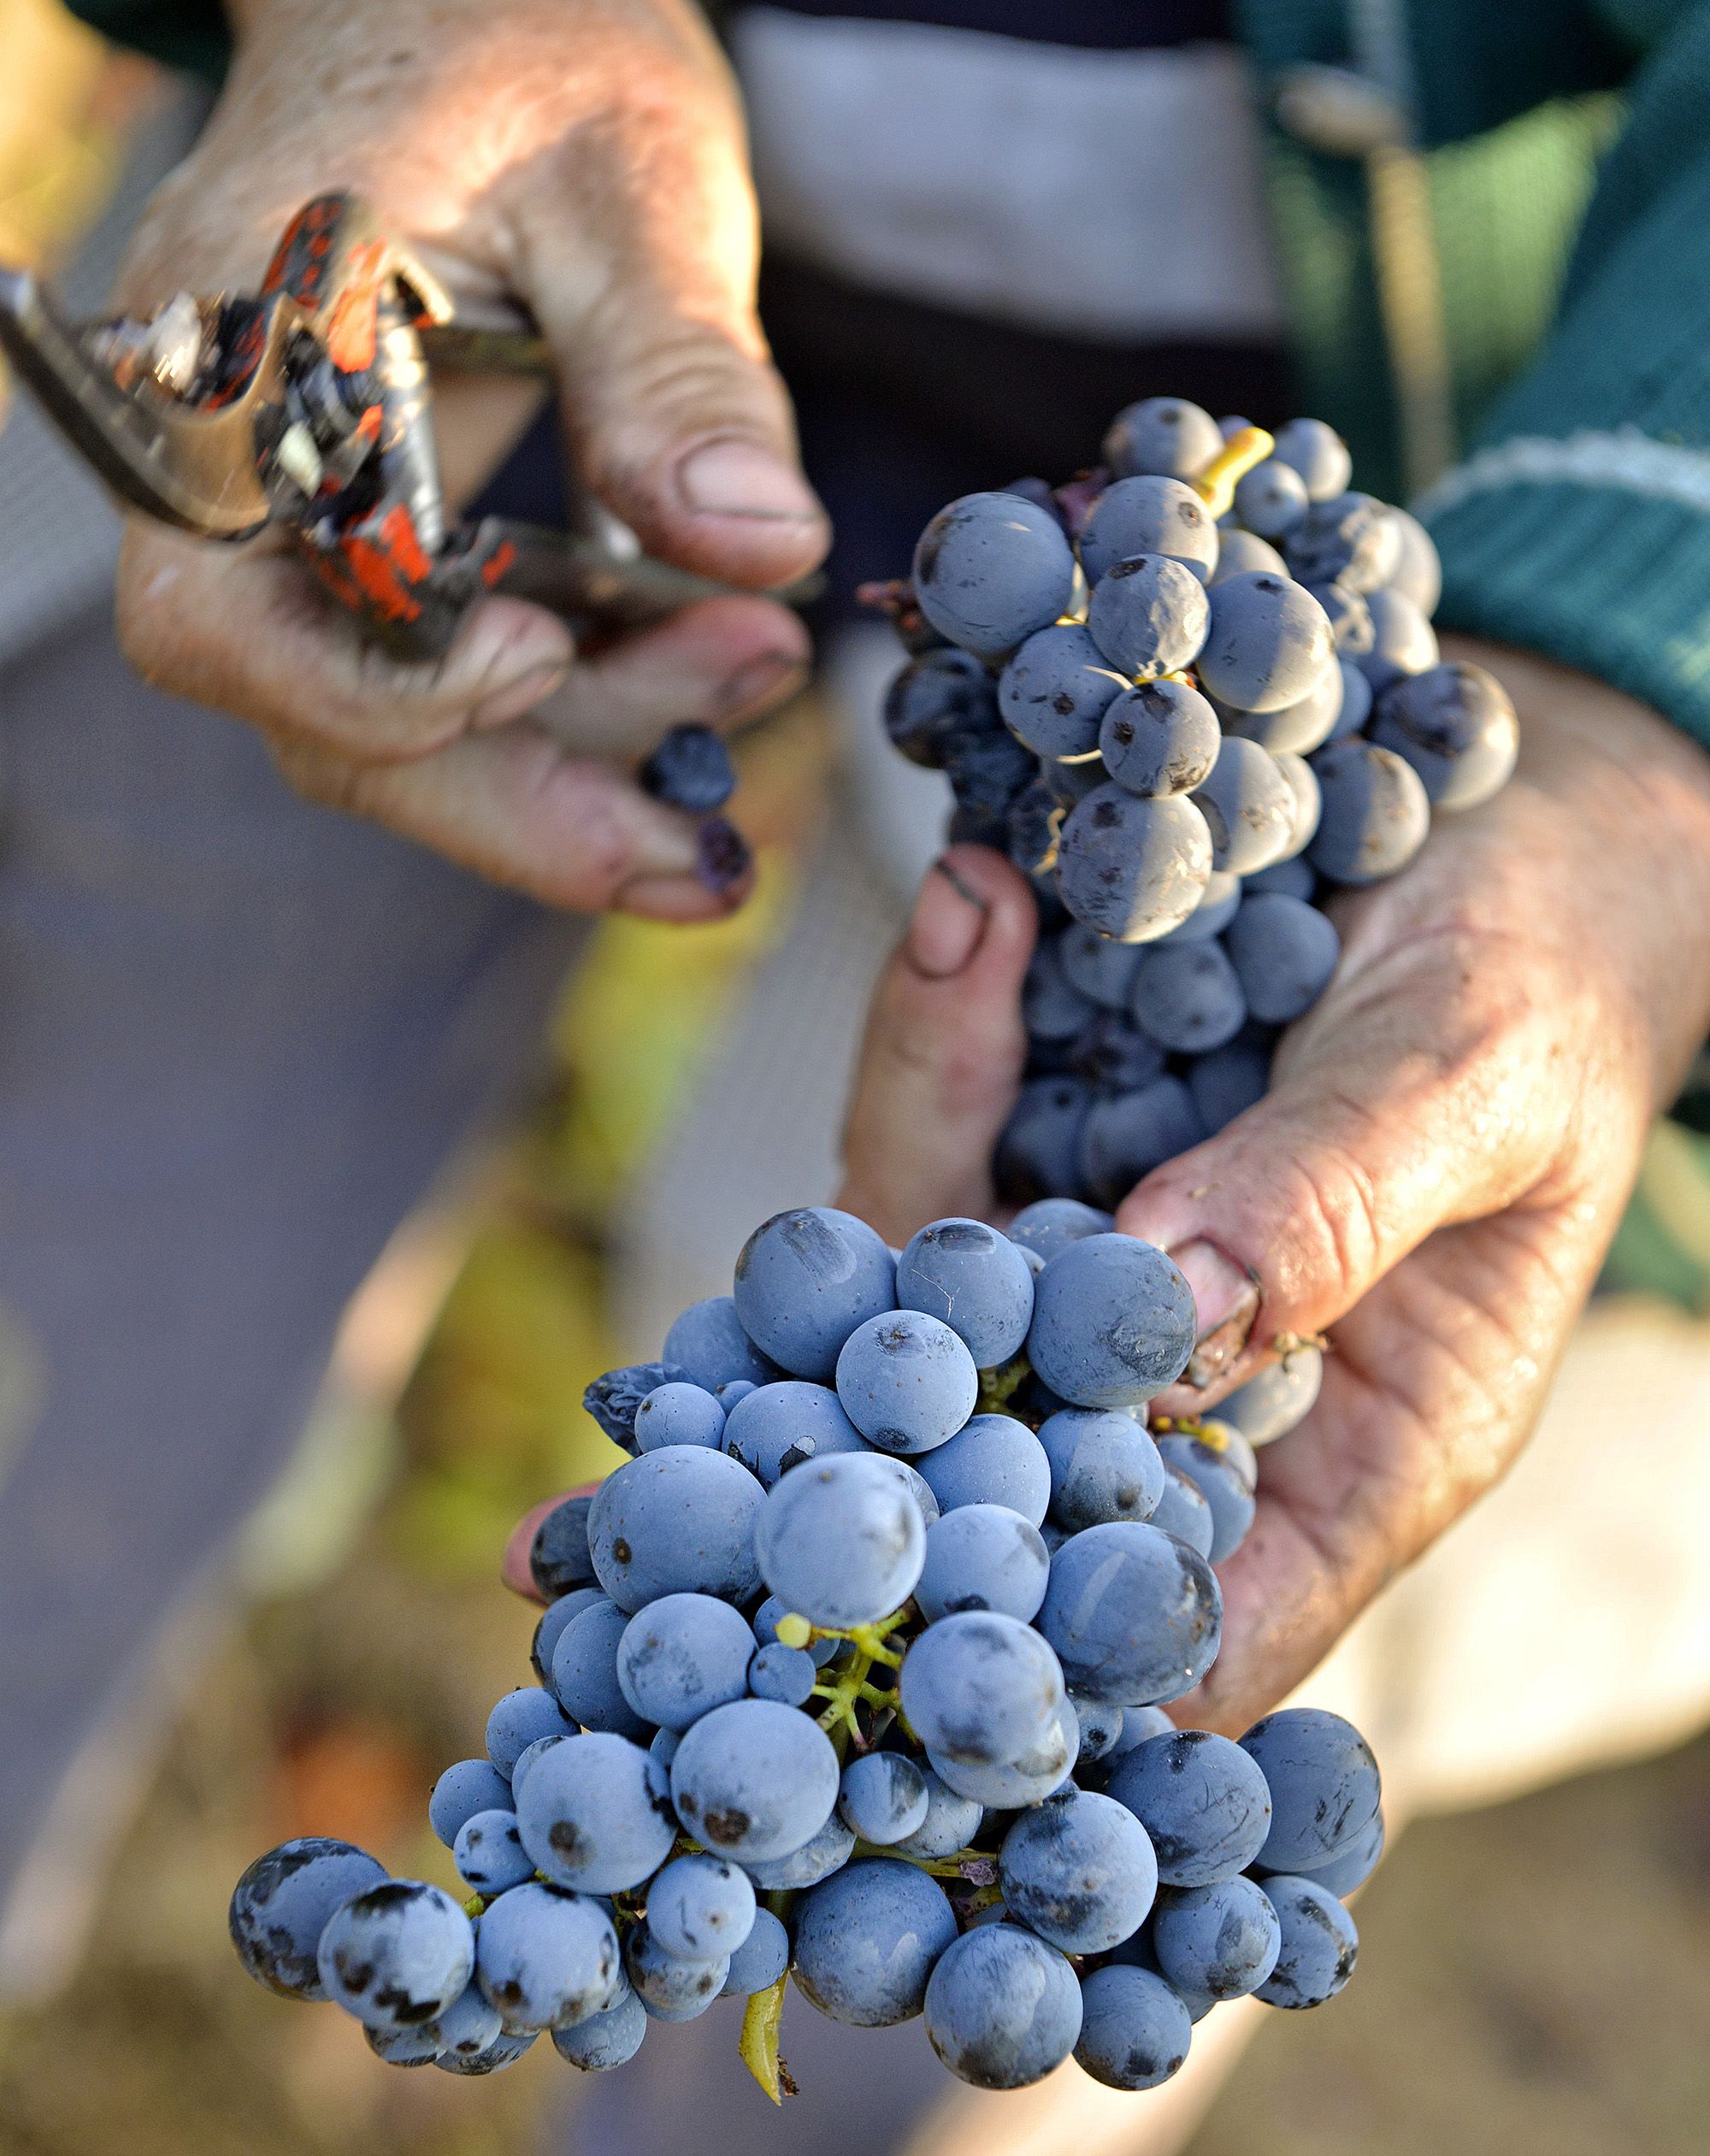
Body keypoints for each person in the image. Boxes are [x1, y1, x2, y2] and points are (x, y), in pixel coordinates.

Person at [6, 0, 1710, 2112]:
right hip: (432, 272)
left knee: (968, 1912)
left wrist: (1658, 696)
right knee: (75, 1269)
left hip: (1460, 573)